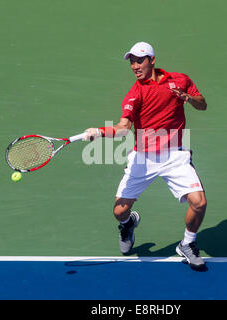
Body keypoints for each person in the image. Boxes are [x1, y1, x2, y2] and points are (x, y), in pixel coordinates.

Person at [83, 42, 208, 269]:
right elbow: (123, 127)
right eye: (131, 61)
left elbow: (203, 105)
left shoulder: (180, 80)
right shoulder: (135, 93)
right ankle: (128, 224)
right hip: (143, 157)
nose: (134, 66)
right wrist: (100, 132)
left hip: (174, 155)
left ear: (152, 60)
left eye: (139, 60)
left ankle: (187, 244)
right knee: (119, 211)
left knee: (199, 203)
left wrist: (188, 98)